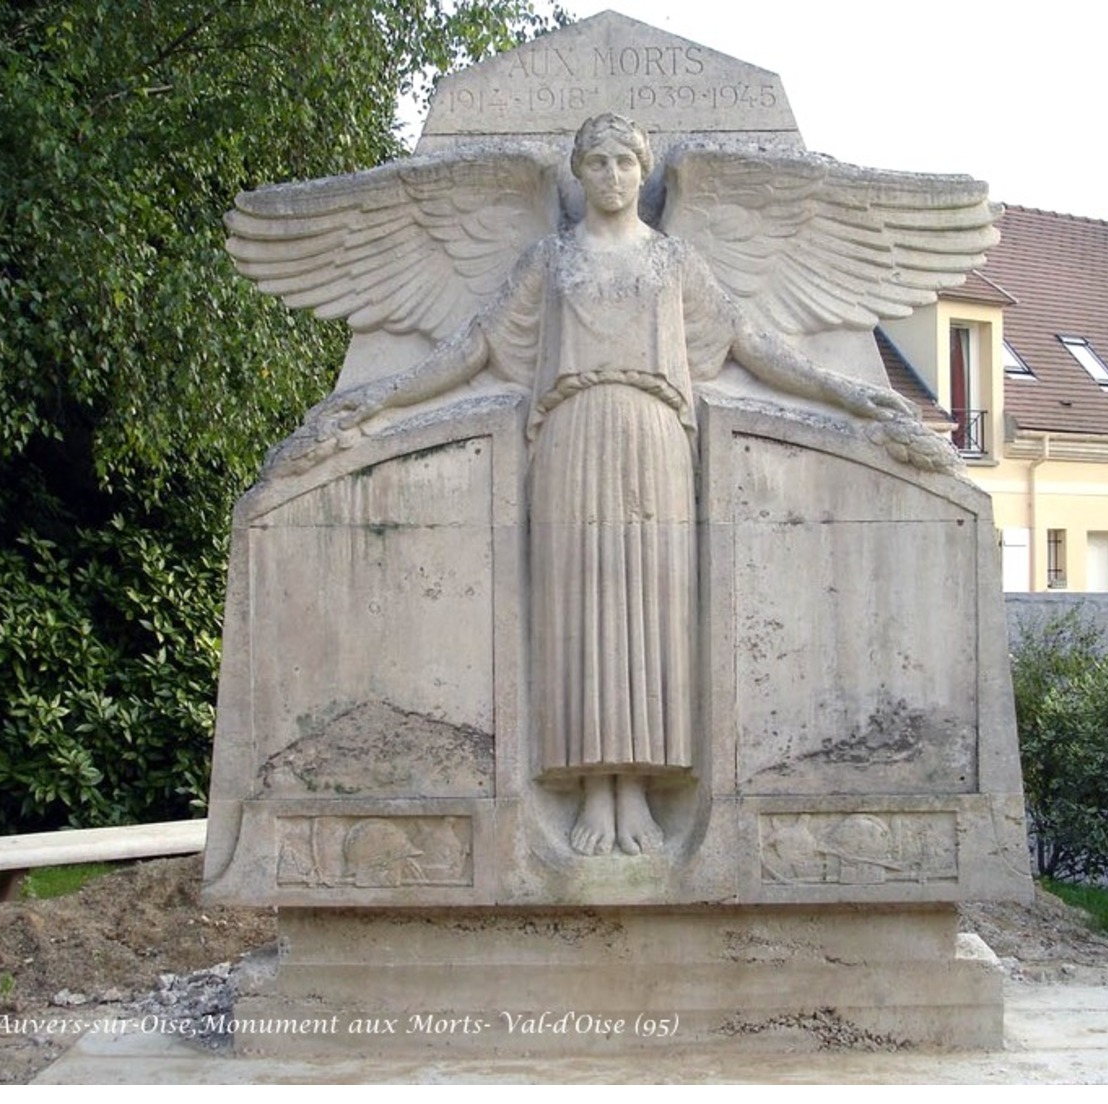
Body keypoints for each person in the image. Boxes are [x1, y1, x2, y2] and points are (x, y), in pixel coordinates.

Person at [303, 114, 919, 856]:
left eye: (624, 161)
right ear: (578, 172)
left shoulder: (674, 262)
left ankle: (642, 789)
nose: (611, 175)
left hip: (656, 439)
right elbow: (475, 348)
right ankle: (594, 790)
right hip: (570, 439)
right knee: (578, 617)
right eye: (595, 162)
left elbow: (751, 347)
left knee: (652, 617)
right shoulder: (549, 261)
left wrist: (848, 394)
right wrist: (383, 395)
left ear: (642, 168)